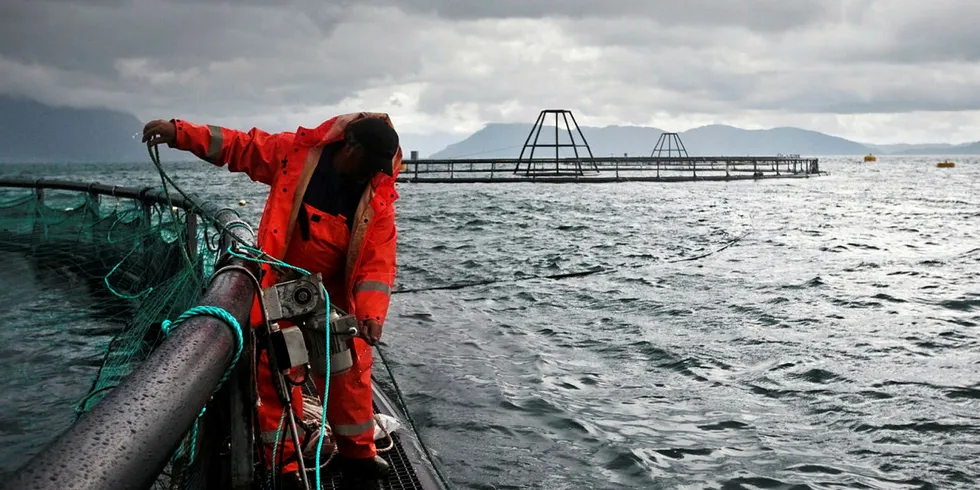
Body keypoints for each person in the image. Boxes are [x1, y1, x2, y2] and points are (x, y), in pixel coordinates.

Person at [142, 113, 401, 489]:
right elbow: (238, 146)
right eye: (368, 164)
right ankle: (286, 465)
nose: (371, 174)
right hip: (279, 285)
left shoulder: (377, 196)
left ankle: (358, 456)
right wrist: (179, 133)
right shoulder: (293, 154)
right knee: (278, 371)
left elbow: (377, 265)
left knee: (349, 371)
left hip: (333, 299)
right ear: (350, 146)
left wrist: (372, 315)